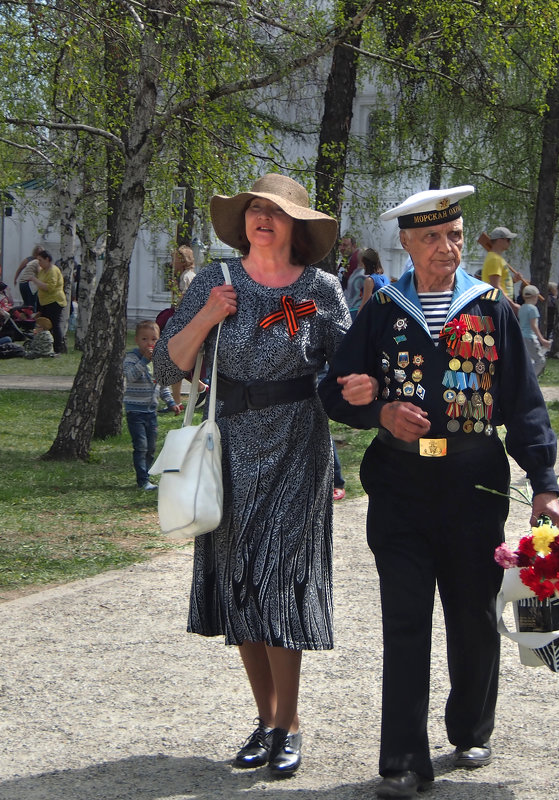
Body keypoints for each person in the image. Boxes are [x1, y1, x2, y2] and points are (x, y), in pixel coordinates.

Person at [319, 185, 559, 799]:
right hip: (401, 487)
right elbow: (333, 388)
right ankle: (402, 760)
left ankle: (470, 726)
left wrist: (545, 484)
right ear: (406, 242)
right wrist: (376, 412)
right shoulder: (382, 309)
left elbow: (525, 405)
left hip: (473, 486)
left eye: (454, 235)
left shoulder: (492, 308)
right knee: (404, 620)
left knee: (472, 614)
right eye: (431, 237)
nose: (446, 248)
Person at [153, 173, 354, 776]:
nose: (263, 219)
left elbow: (346, 370)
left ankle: (289, 723)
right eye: (255, 209)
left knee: (282, 579)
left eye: (277, 211)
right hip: (230, 448)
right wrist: (208, 316)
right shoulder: (214, 281)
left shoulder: (321, 287)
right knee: (241, 581)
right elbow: (169, 363)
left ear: (297, 226)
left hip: (298, 444)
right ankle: (266, 719)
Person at [123, 320, 180, 490]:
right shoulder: (132, 358)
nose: (149, 343)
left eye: (154, 340)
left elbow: (162, 385)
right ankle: (142, 480)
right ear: (137, 340)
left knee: (151, 447)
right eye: (144, 339)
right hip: (135, 411)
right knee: (141, 445)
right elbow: (130, 376)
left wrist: (171, 403)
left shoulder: (158, 361)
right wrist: (144, 361)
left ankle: (146, 475)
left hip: (151, 411)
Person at [168, 245, 197, 406]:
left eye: (175, 259)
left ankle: (178, 400)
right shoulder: (188, 275)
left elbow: (187, 302)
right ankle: (177, 399)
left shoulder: (187, 277)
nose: (172, 263)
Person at [25, 249, 67, 353]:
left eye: (40, 260)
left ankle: (58, 348)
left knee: (55, 324)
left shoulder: (53, 270)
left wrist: (34, 280)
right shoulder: (42, 271)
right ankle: (46, 346)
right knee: (45, 325)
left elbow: (50, 287)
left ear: (47, 259)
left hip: (55, 301)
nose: (39, 263)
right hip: (45, 302)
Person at [481, 225, 521, 313]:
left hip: (500, 304)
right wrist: (512, 305)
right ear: (499, 240)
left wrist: (513, 280)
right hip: (497, 305)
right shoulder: (495, 259)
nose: (510, 242)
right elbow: (495, 286)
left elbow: (500, 283)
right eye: (508, 239)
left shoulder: (497, 258)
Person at [518, 284, 550, 376]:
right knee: (540, 360)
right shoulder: (533, 309)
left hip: (521, 336)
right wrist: (542, 339)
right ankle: (531, 379)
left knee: (528, 360)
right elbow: (534, 325)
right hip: (530, 337)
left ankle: (525, 377)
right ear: (535, 296)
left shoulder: (522, 308)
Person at [13, 245, 42, 311]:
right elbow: (40, 272)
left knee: (26, 304)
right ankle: (31, 319)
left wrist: (15, 279)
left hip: (22, 283)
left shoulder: (29, 260)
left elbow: (20, 269)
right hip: (30, 284)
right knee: (31, 305)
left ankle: (24, 318)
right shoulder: (37, 261)